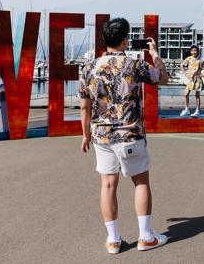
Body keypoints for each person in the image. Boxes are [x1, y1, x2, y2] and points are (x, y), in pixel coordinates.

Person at [79, 18, 169, 254]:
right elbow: (162, 77)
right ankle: (145, 236)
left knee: (108, 185)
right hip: (131, 134)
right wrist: (155, 54)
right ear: (125, 39)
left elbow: (84, 107)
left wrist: (85, 134)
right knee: (140, 182)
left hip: (102, 136)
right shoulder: (133, 65)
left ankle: (113, 240)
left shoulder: (89, 68)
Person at [180, 45, 204, 117]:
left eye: (195, 50)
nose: (194, 52)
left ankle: (197, 111)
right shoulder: (188, 58)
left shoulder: (201, 59)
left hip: (198, 79)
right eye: (192, 51)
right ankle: (187, 109)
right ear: (191, 51)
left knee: (197, 95)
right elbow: (181, 65)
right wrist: (185, 74)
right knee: (186, 94)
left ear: (198, 51)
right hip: (191, 79)